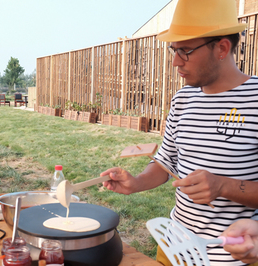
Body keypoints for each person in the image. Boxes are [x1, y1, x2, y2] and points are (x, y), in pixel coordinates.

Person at [101, 0, 258, 265]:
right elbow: (167, 161)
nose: (175, 62)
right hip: (174, 248)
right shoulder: (183, 99)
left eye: (185, 51)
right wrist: (137, 182)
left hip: (233, 254)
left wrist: (224, 185)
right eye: (174, 50)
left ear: (222, 48)